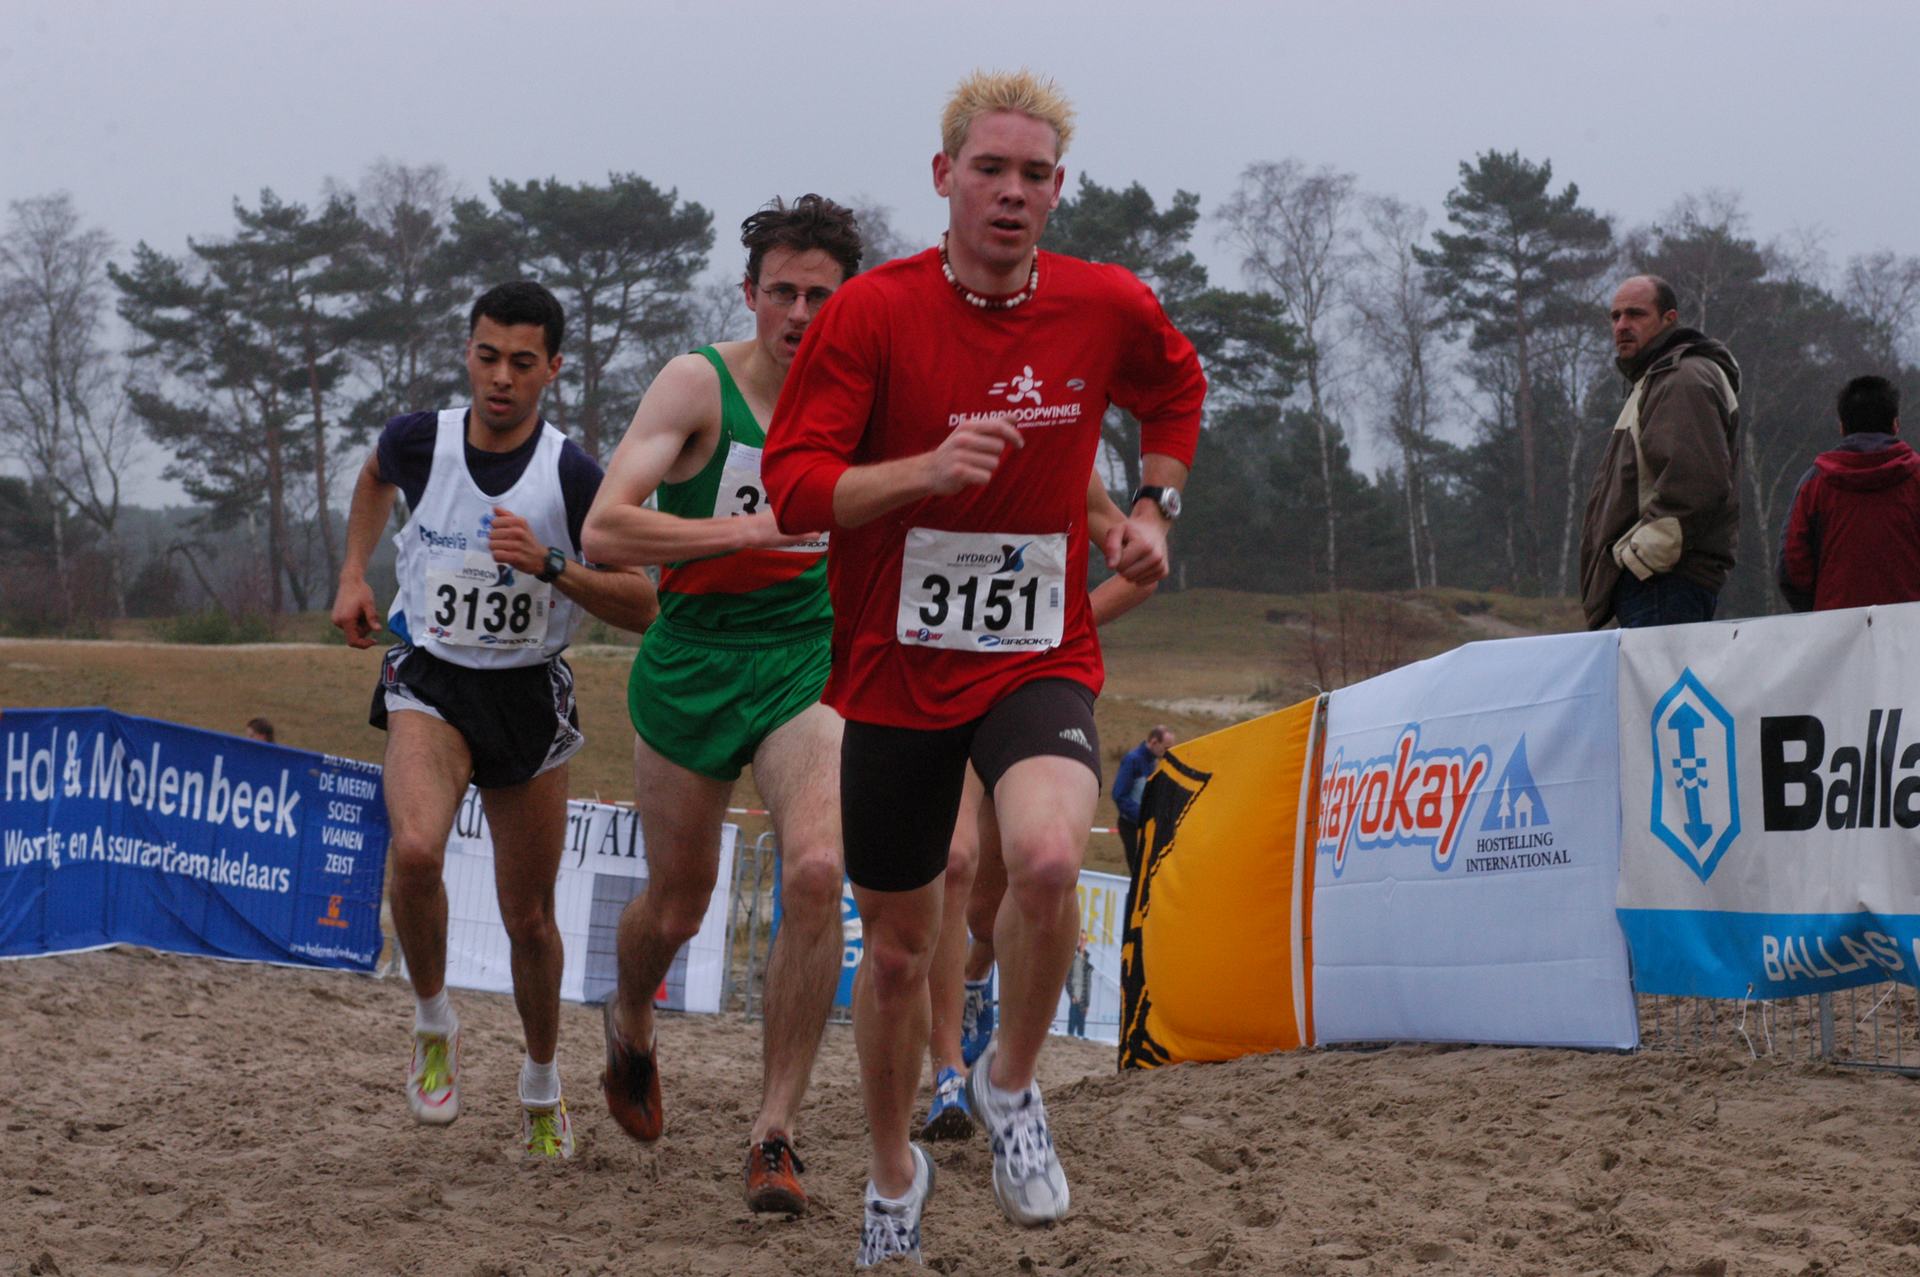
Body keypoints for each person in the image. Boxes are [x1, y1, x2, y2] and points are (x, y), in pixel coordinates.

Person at [763, 69, 1205, 1267]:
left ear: (1059, 190)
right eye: (990, 169)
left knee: (1051, 857)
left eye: (1034, 175)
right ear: (944, 175)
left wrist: (1152, 506)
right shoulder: (873, 314)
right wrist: (924, 470)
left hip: (1035, 652)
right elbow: (794, 487)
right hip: (895, 672)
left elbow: (1176, 389)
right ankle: (892, 1173)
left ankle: (1009, 1083)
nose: (1012, 193)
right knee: (900, 953)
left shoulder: (1104, 303)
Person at [330, 280, 658, 1161]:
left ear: (553, 368)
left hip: (525, 695)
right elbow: (373, 473)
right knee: (415, 850)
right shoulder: (419, 440)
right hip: (430, 680)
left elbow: (643, 602)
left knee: (529, 920)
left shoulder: (573, 474)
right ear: (468, 353)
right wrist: (355, 572)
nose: (501, 377)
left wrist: (552, 566)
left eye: (521, 362)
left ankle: (542, 1082)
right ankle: (434, 1022)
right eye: (486, 356)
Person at [578, 196, 861, 1215]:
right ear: (749, 294)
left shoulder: (867, 398)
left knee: (817, 868)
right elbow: (605, 529)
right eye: (782, 292)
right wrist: (738, 533)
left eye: (820, 296)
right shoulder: (698, 383)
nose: (799, 314)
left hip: (804, 663)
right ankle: (629, 1016)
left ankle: (773, 1131)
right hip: (693, 659)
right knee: (678, 904)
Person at [920, 483, 1160, 1142]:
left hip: (1028, 690)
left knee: (998, 901)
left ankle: (976, 980)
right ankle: (947, 1068)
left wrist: (1064, 622)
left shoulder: (1058, 454)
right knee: (953, 862)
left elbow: (1140, 571)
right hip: (938, 682)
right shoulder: (928, 447)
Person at [1578, 274, 1741, 629]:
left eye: (1636, 314)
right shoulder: (1657, 379)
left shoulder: (1681, 379)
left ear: (1669, 319)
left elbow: (1697, 484)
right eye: (1615, 316)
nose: (1622, 325)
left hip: (1663, 582)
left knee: (1663, 671)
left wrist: (1637, 560)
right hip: (1659, 582)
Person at [1778, 375, 1920, 611]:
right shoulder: (1916, 479)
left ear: (1842, 427)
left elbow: (1792, 566)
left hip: (1836, 624)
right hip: (1911, 625)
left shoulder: (1814, 484)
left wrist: (1815, 611)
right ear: (1895, 425)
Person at [1111, 725, 1175, 878]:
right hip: (1131, 827)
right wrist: (1144, 815)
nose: (1168, 753)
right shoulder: (1132, 760)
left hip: (1146, 826)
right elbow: (1119, 795)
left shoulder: (1153, 762)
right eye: (1166, 748)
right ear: (1154, 742)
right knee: (1139, 875)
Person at [1064, 934, 1092, 1038]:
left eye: (1085, 940)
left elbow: (1088, 983)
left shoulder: (1087, 960)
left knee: (1081, 1023)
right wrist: (1072, 995)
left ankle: (1080, 1037)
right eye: (1081, 939)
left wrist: (1087, 1003)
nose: (1083, 942)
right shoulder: (1073, 959)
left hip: (1083, 997)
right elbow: (1067, 979)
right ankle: (1070, 1037)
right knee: (1072, 1021)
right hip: (1075, 995)